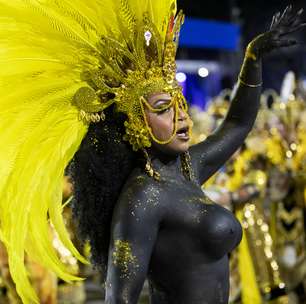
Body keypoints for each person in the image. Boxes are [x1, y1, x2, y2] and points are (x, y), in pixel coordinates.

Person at [0, 1, 305, 303]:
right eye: (163, 109)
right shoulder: (143, 198)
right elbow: (119, 298)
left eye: (179, 103)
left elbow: (237, 126)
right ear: (134, 121)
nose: (181, 116)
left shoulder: (188, 167)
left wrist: (252, 58)